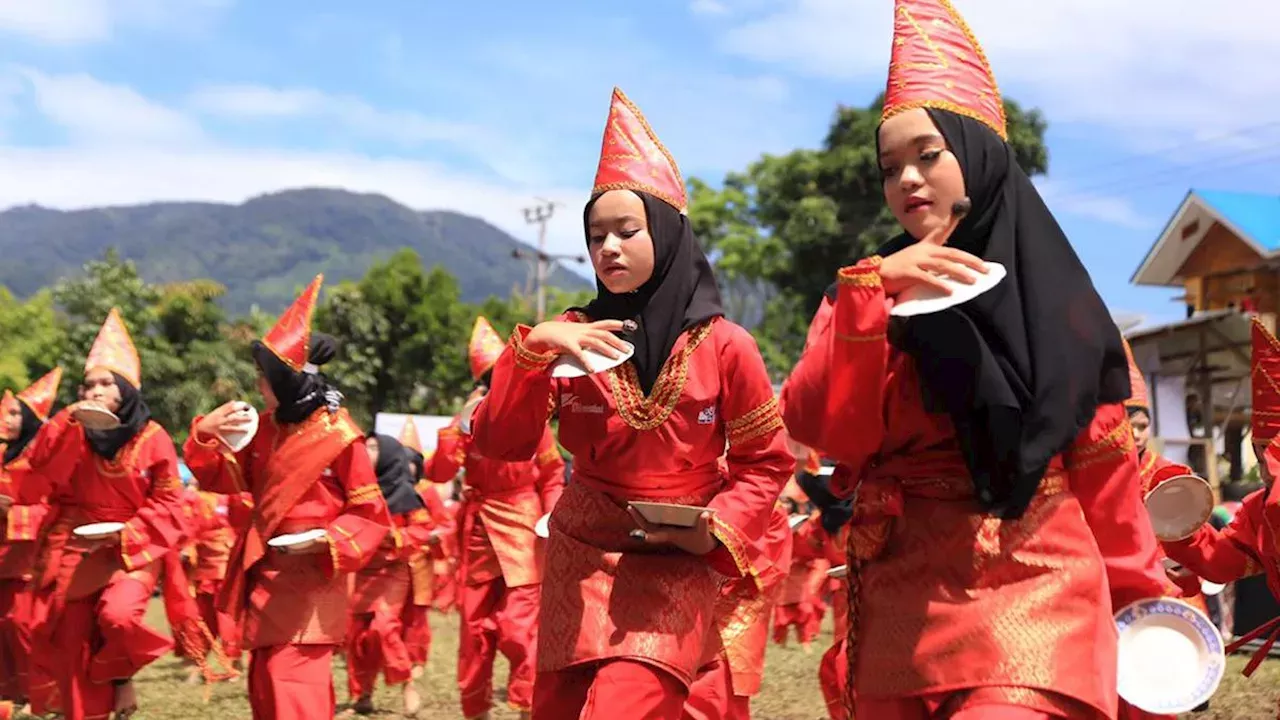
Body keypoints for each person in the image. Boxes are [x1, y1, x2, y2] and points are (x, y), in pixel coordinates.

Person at [780, 1, 1171, 717]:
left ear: (980, 155)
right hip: (901, 604)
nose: (907, 180)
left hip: (1038, 596)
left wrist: (1149, 615)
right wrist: (867, 298)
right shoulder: (864, 296)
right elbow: (829, 433)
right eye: (890, 166)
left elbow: (1108, 484)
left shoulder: (1064, 312)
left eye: (928, 155)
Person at [470, 86, 793, 719]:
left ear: (668, 235)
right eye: (596, 237)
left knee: (628, 702)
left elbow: (766, 462)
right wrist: (533, 350)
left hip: (678, 554)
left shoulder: (728, 346)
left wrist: (715, 529)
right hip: (582, 551)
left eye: (626, 230)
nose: (608, 248)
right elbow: (498, 444)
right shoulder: (568, 336)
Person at [185, 275, 391, 720]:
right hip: (264, 574)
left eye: (266, 376)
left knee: (291, 682)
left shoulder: (341, 435)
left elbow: (370, 515)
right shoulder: (262, 429)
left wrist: (328, 539)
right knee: (264, 686)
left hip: (314, 576)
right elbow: (220, 477)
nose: (259, 384)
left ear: (289, 379)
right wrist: (204, 434)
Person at [26, 309, 188, 720]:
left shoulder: (154, 438)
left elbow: (170, 504)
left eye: (105, 384)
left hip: (137, 546)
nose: (94, 391)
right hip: (83, 545)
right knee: (71, 637)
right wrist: (66, 418)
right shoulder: (75, 433)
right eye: (88, 384)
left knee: (117, 618)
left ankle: (122, 677)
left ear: (127, 392)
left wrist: (128, 534)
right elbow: (41, 466)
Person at [431, 316, 565, 720]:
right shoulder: (467, 424)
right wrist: (458, 423)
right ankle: (477, 711)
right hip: (478, 533)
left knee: (518, 630)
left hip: (523, 532)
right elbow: (437, 472)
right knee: (474, 633)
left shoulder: (531, 417)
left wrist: (551, 516)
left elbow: (553, 473)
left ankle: (527, 710)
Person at [1162, 317, 1280, 685]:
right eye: (1260, 453)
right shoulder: (1259, 510)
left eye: (1267, 454)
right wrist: (1176, 525)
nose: (1262, 463)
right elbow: (1219, 561)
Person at [345, 433, 433, 717]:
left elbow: (420, 532)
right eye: (365, 446)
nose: (366, 451)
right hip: (361, 571)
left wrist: (391, 538)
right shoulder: (355, 491)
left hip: (393, 570)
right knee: (358, 636)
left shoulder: (407, 495)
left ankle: (406, 683)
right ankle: (362, 695)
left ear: (388, 456)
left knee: (384, 627)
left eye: (373, 447)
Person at [0, 368, 61, 718]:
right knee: (4, 627)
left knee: (24, 625)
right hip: (4, 556)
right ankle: (12, 693)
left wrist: (13, 510)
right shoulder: (3, 455)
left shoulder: (43, 458)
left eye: (13, 412)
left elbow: (53, 505)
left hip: (31, 558)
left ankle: (40, 693)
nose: (5, 417)